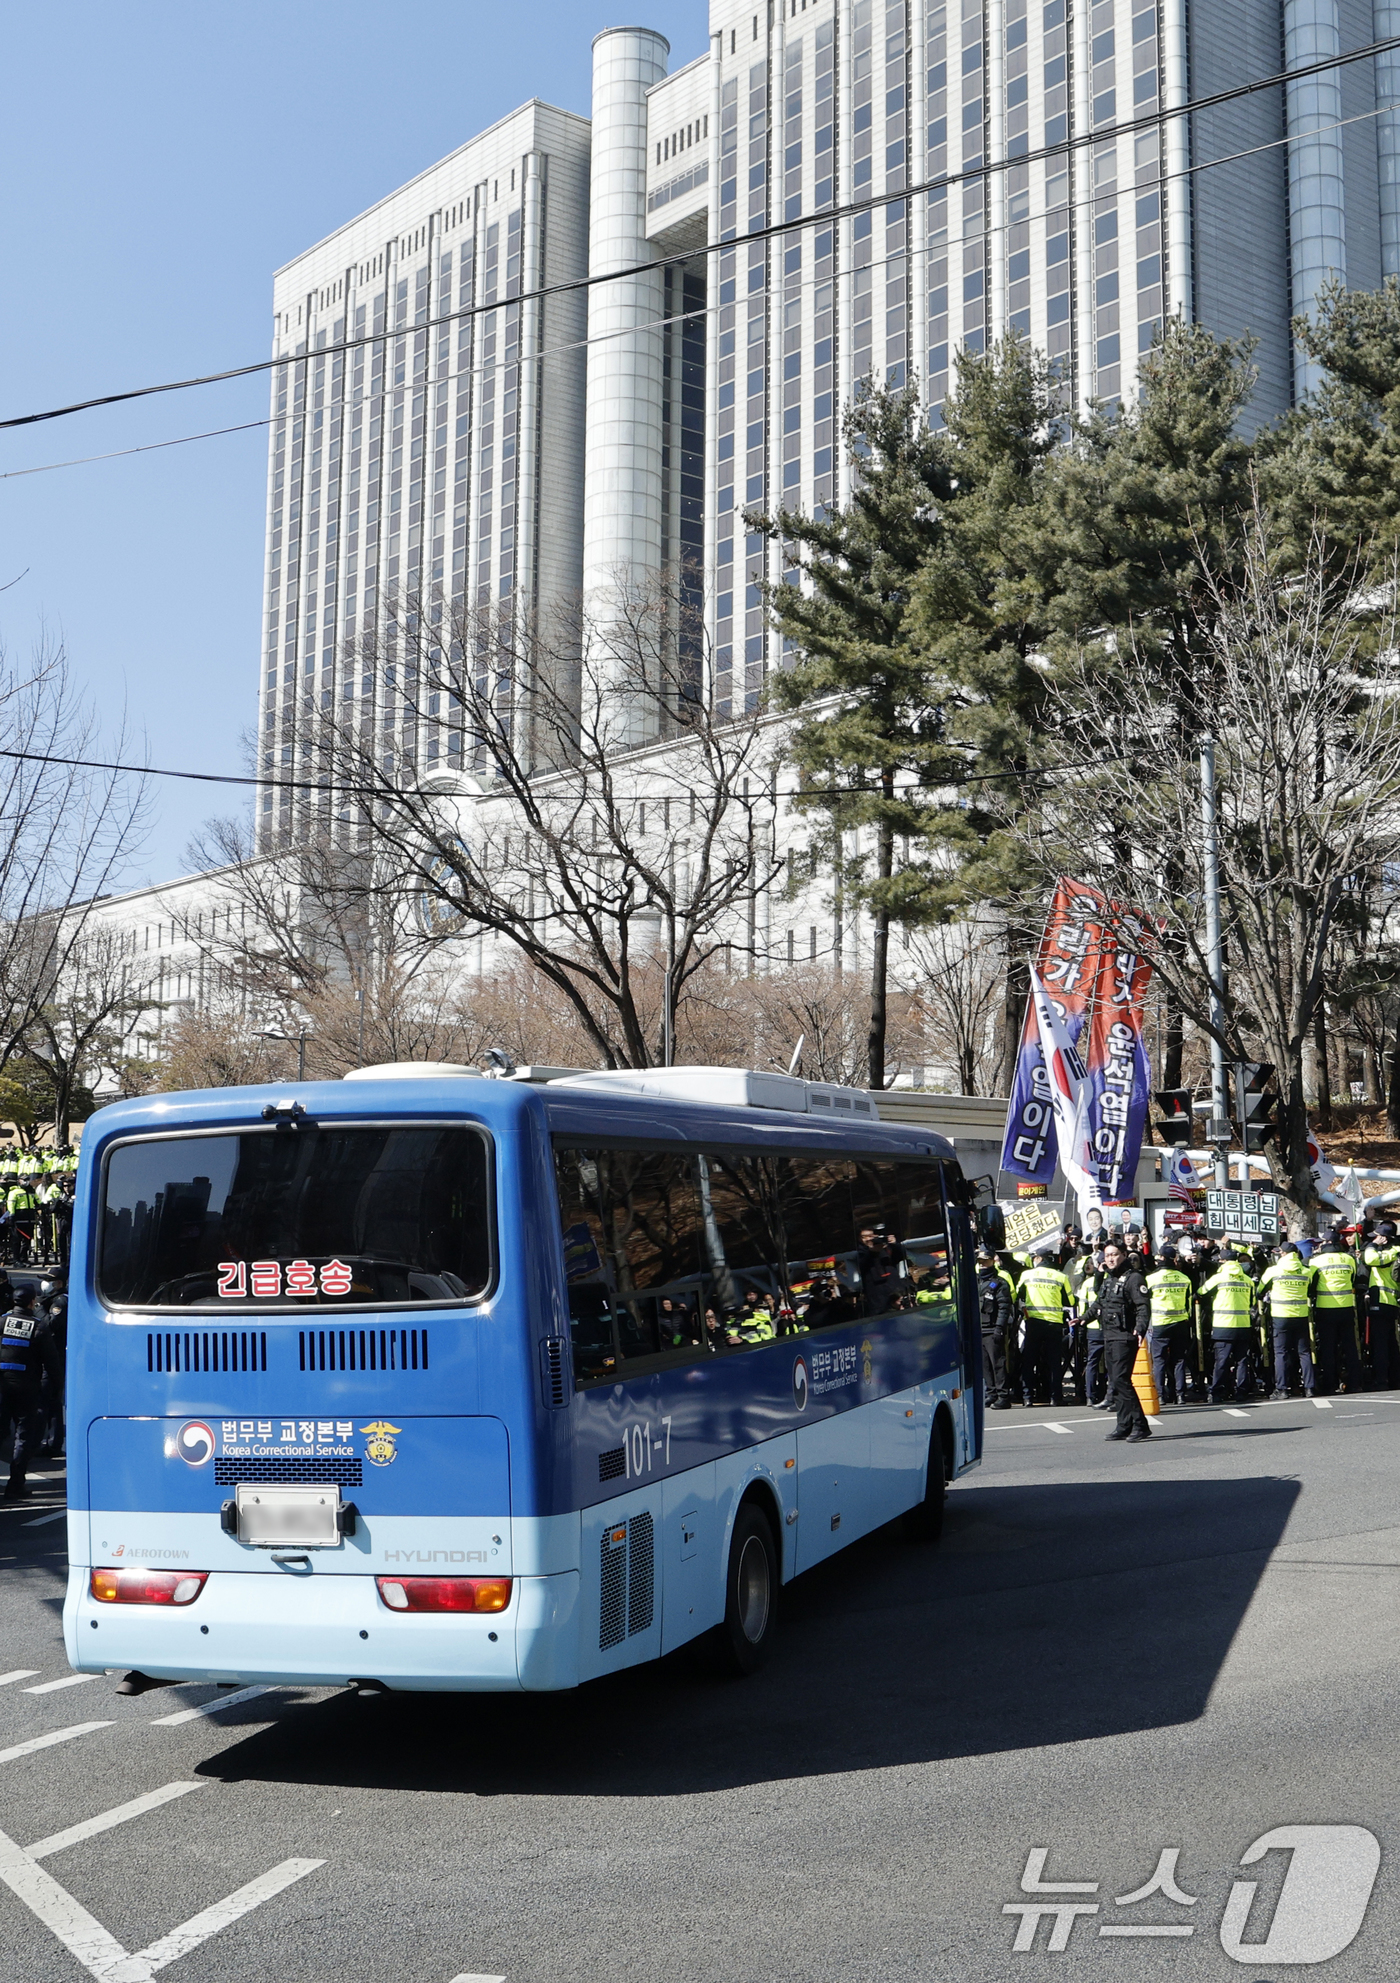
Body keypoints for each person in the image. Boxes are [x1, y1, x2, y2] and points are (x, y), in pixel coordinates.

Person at [1082, 1238, 1152, 1440]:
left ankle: (1140, 1424)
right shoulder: (1109, 1278)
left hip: (1125, 1335)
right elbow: (1099, 1303)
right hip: (1109, 1334)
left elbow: (1142, 1306)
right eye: (1107, 1255)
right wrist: (1083, 1319)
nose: (1110, 1259)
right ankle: (1124, 1424)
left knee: (1121, 1379)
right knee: (1115, 1381)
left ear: (1123, 1255)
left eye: (1114, 1255)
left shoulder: (1134, 1278)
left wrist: (1140, 1328)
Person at [1016, 1243, 1075, 1406]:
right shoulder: (1060, 1277)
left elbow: (1018, 1295)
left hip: (1033, 1322)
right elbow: (1070, 1301)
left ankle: (1027, 1397)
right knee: (1054, 1362)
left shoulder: (1027, 1275)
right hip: (1054, 1324)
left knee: (1029, 1360)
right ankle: (1055, 1397)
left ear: (1039, 1259)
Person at [0, 1288, 45, 1500]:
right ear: (32, 1303)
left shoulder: (2, 1322)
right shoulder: (38, 1326)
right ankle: (15, 1485)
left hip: (2, 1386)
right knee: (23, 1436)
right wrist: (55, 1387)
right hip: (26, 1388)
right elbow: (51, 1362)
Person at [1258, 1242, 1318, 1399]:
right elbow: (1310, 1291)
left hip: (1281, 1316)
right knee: (1304, 1352)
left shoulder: (1273, 1271)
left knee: (1281, 1353)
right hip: (1301, 1315)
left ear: (1283, 1254)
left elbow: (1259, 1291)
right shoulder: (1306, 1271)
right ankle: (1309, 1388)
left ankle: (1282, 1389)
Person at [1198, 1248, 1259, 1402]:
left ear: (1223, 1261)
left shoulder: (1218, 1278)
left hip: (1223, 1325)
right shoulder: (1247, 1280)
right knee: (1242, 1361)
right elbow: (1252, 1302)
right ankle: (1242, 1392)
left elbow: (1201, 1292)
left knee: (1222, 1361)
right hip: (1243, 1325)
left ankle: (1217, 1392)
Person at [1312, 1227, 1364, 1394]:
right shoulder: (1349, 1259)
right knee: (1350, 1348)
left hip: (1325, 1309)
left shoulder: (1316, 1261)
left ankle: (1330, 1384)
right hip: (1347, 1308)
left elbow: (1312, 1285)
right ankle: (1354, 1383)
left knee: (1328, 1349)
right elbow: (1353, 1279)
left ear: (1327, 1242)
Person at [1145, 1244, 1194, 1406]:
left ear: (1161, 1258)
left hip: (1160, 1323)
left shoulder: (1151, 1279)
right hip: (1180, 1323)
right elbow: (1188, 1304)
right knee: (1179, 1360)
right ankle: (1180, 1395)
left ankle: (1160, 1395)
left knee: (1159, 1360)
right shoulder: (1184, 1278)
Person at [1363, 1220, 1400, 1390]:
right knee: (1391, 1343)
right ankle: (1394, 1379)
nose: (1374, 1239)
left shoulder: (1392, 1252)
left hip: (1382, 1301)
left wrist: (1372, 1245)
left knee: (1380, 1345)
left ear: (1384, 1239)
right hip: (1390, 1302)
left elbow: (1370, 1259)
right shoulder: (1394, 1251)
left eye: (1377, 1237)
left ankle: (1381, 1380)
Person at [976, 1247, 1013, 1408]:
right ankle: (991, 1394)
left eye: (985, 1261)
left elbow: (1004, 1308)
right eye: (980, 1261)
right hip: (980, 1329)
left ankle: (1003, 1396)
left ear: (992, 1261)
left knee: (997, 1364)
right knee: (985, 1365)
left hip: (993, 1329)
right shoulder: (977, 1282)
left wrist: (999, 1328)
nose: (982, 1264)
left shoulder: (999, 1283)